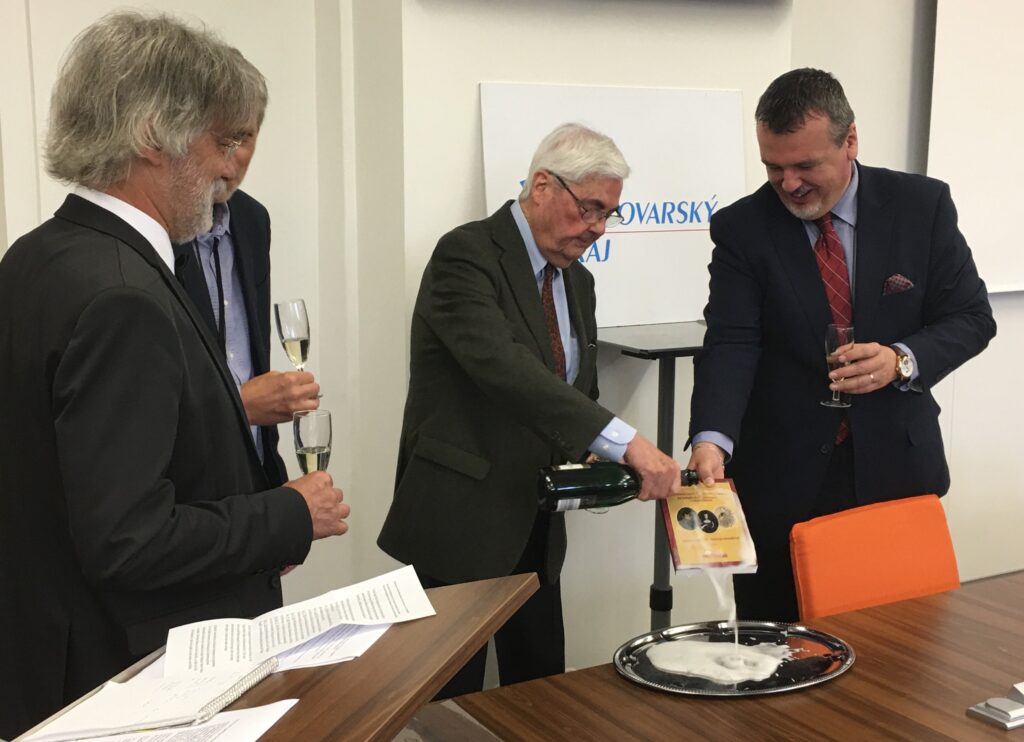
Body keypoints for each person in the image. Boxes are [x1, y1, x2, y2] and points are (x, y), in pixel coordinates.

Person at [0, 13, 350, 737]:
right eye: (221, 141)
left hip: (51, 664)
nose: (232, 169)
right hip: (127, 682)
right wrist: (287, 516)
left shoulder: (37, 256)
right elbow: (128, 538)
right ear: (153, 135)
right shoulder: (123, 295)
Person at [378, 123, 682, 697]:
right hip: (460, 521)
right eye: (589, 208)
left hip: (539, 523)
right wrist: (626, 441)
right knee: (448, 703)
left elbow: (574, 390)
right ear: (543, 185)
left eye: (608, 213)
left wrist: (596, 455)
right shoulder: (466, 255)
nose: (598, 227)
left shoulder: (578, 281)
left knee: (542, 697)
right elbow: (506, 370)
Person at [687, 68, 996, 622]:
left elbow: (971, 318)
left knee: (901, 655)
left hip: (896, 475)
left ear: (850, 140)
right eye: (773, 167)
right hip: (781, 485)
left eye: (805, 166)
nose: (788, 184)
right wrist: (712, 441)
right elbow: (732, 342)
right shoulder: (743, 228)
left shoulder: (920, 206)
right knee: (778, 657)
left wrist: (901, 359)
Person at [173, 125, 320, 489]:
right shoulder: (160, 223)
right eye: (221, 137)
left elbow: (252, 355)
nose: (232, 156)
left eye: (244, 139)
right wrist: (239, 407)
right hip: (187, 487)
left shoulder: (253, 219)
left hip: (256, 478)